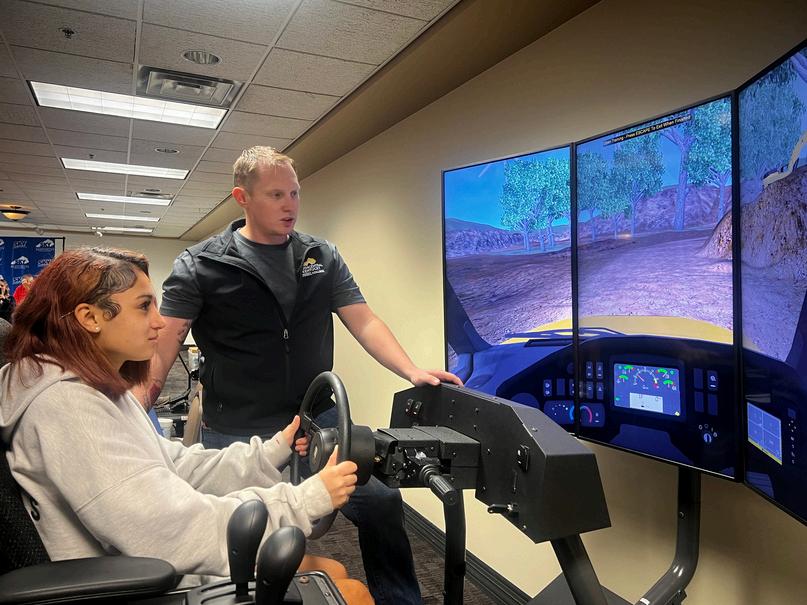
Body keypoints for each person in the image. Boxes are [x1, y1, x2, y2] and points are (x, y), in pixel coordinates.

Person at [142, 146, 462, 605]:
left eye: (294, 193)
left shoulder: (320, 255)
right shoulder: (202, 264)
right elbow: (168, 337)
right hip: (237, 425)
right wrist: (141, 401)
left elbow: (364, 320)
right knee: (252, 532)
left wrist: (410, 369)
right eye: (276, 195)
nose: (290, 204)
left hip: (317, 418)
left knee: (380, 503)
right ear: (242, 198)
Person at [0, 247, 372, 604]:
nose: (159, 321)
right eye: (144, 306)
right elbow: (167, 528)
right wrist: (305, 500)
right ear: (90, 317)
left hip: (145, 562)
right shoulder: (68, 407)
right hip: (130, 583)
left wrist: (271, 452)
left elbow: (175, 465)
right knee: (348, 592)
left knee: (333, 571)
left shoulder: (93, 388)